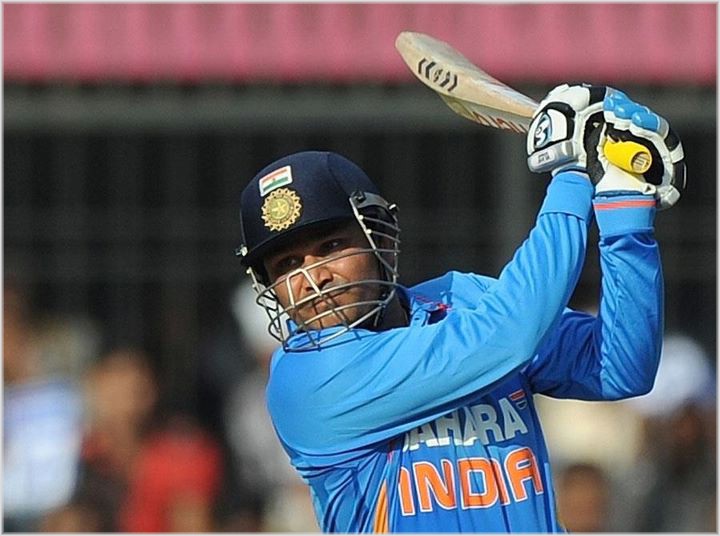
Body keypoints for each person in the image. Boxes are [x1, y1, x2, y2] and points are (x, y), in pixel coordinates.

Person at [234, 84, 686, 532]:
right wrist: (572, 173)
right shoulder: (305, 380)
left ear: (381, 237)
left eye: (331, 247)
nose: (314, 279)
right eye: (287, 265)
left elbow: (620, 367)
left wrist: (624, 210)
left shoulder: (461, 298)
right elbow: (508, 335)